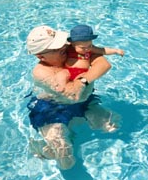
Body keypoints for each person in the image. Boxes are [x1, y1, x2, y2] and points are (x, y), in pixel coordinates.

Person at [26, 25, 120, 170]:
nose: (64, 47)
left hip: (83, 102)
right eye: (56, 48)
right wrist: (82, 77)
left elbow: (104, 64)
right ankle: (42, 149)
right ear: (41, 56)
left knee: (112, 125)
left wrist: (82, 81)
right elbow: (71, 94)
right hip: (51, 108)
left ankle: (70, 131)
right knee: (66, 160)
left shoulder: (75, 51)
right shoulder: (41, 72)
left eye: (62, 43)